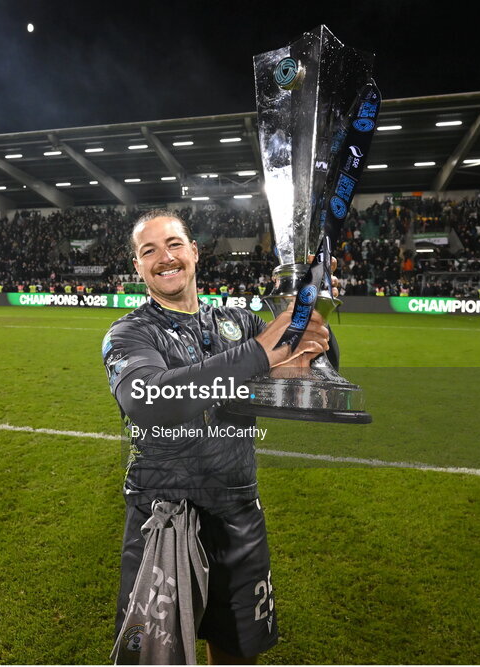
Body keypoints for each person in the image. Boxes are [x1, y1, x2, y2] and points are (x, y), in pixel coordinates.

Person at [103, 210, 334, 664]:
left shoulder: (238, 321)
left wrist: (312, 315)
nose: (164, 257)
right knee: (154, 658)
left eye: (173, 244)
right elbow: (150, 398)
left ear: (193, 251)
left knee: (236, 652)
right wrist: (260, 351)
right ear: (137, 267)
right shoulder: (130, 332)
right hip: (164, 515)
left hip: (238, 512)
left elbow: (310, 368)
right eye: (148, 250)